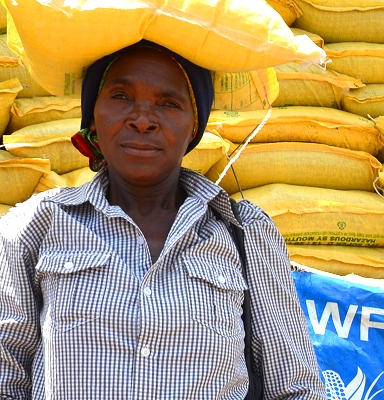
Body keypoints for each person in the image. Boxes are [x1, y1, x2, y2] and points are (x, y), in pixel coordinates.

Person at [0, 40, 327, 399]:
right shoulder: (37, 226)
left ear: (194, 126)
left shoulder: (245, 234)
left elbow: (295, 388)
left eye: (168, 104)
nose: (142, 120)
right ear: (93, 114)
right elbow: (6, 377)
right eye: (121, 97)